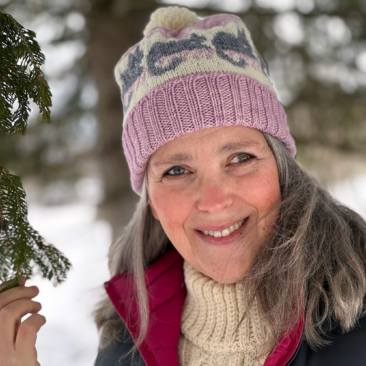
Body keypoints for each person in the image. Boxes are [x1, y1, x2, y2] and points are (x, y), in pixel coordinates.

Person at [1, 5, 365, 366]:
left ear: (283, 171)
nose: (214, 200)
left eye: (240, 158)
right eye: (176, 171)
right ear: (152, 203)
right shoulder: (122, 346)